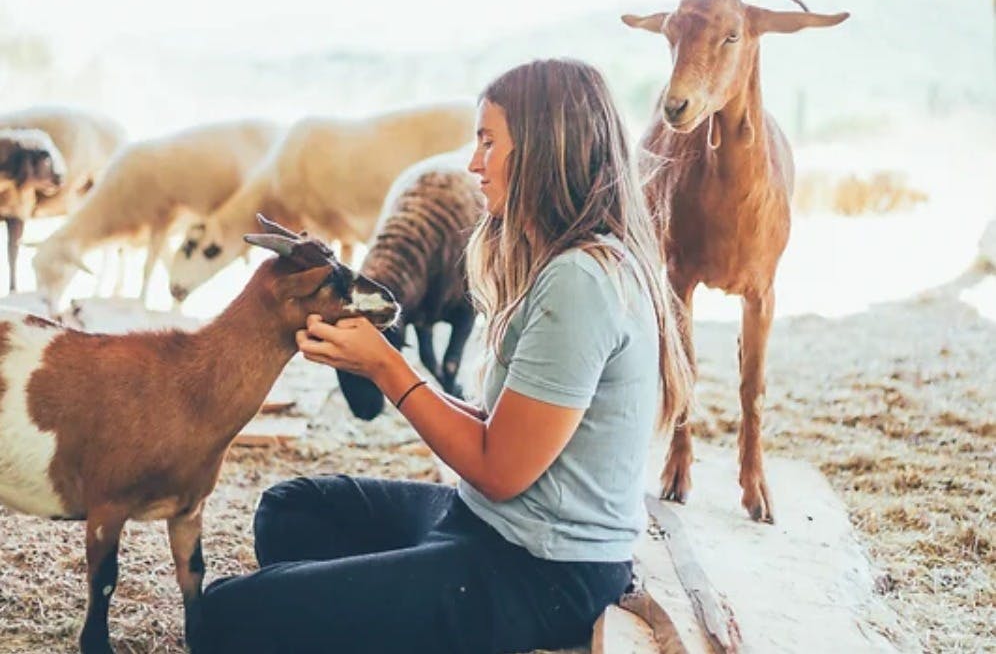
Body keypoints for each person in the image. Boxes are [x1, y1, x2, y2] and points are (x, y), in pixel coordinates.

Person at [194, 58, 692, 654]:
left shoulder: (581, 280)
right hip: (489, 525)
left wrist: (383, 364)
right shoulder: (571, 260)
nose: (473, 163)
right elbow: (508, 430)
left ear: (544, 149)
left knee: (220, 617)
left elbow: (501, 470)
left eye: (488, 143)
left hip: (542, 570)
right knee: (288, 511)